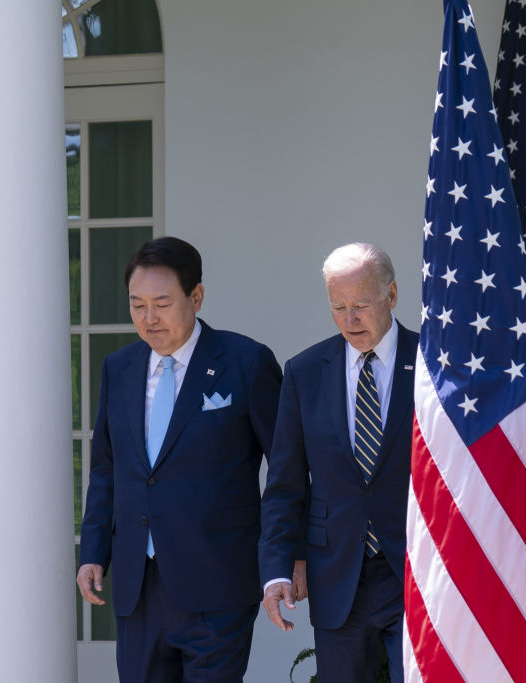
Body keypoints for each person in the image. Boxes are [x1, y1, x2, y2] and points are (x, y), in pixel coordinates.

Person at [77, 236, 282, 682]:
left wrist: (282, 558)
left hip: (219, 583)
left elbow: (286, 470)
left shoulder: (246, 362)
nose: (149, 319)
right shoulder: (119, 368)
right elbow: (107, 469)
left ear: (197, 296)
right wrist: (93, 551)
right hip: (138, 585)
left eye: (162, 303)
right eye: (137, 305)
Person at [259, 242, 417, 683]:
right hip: (337, 572)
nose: (350, 320)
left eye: (361, 306)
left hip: (413, 568)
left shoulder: (429, 365)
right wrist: (277, 569)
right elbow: (285, 484)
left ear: (392, 294)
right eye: (338, 307)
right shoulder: (305, 371)